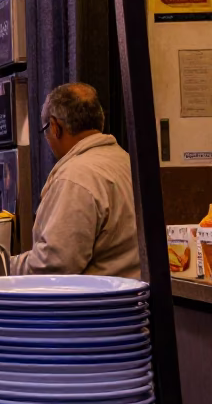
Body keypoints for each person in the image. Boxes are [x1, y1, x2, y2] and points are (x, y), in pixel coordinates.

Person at [11, 83, 140, 278]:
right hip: (131, 302)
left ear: (55, 127)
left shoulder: (75, 177)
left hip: (96, 305)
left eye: (46, 130)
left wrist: (1, 265)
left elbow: (54, 265)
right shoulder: (126, 161)